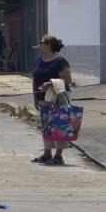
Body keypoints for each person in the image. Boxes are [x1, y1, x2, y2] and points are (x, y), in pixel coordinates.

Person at [31, 34, 72, 165]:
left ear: (49, 45)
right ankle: (47, 153)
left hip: (58, 97)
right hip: (44, 97)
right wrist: (35, 97)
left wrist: (50, 83)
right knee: (46, 125)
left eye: (42, 43)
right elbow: (35, 78)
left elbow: (67, 80)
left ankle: (58, 155)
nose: (40, 45)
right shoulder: (39, 60)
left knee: (59, 124)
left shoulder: (60, 61)